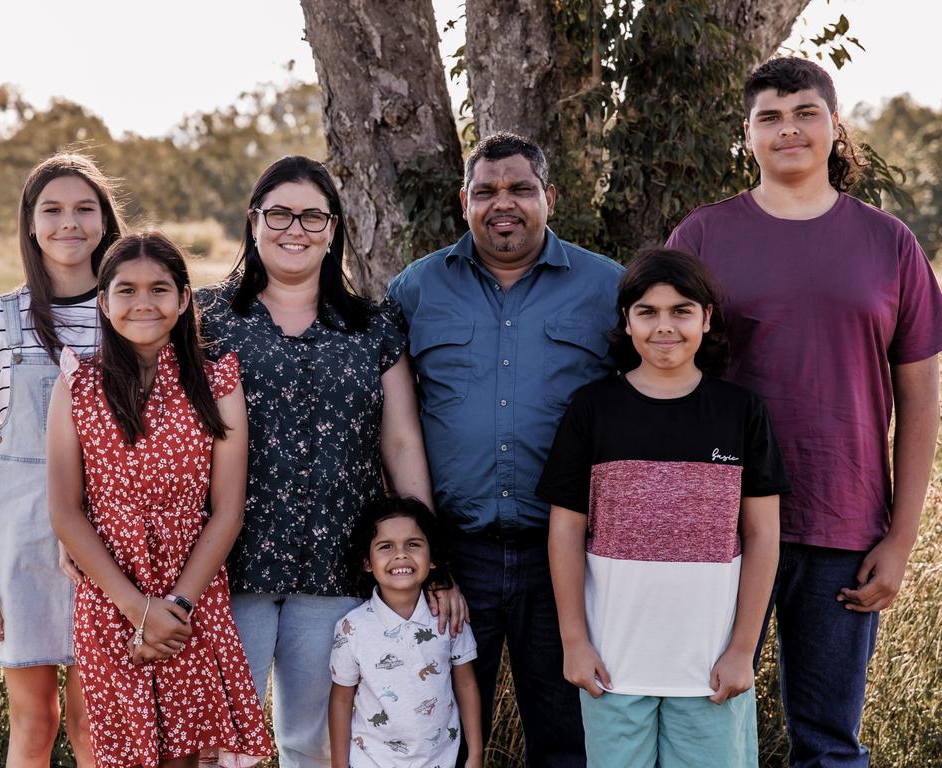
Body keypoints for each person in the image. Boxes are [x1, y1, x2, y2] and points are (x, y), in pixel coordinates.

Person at [666, 56, 942, 767]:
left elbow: (919, 397)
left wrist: (901, 537)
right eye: (769, 118)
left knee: (828, 744)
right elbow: (660, 375)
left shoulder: (891, 244)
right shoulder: (701, 239)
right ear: (747, 134)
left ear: (834, 124)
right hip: (719, 525)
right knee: (701, 730)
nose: (788, 129)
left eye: (804, 113)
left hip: (843, 524)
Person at [199, 155, 453, 768]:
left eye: (313, 215)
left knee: (312, 741)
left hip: (337, 563)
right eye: (279, 213)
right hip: (230, 564)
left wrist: (428, 554)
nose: (296, 229)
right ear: (253, 222)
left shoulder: (371, 326)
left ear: (334, 228)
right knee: (221, 745)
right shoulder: (206, 321)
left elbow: (400, 444)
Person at [387, 132, 624, 766]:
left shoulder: (608, 290)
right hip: (454, 559)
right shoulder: (416, 289)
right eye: (486, 191)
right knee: (441, 737)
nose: (504, 203)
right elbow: (387, 418)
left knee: (569, 737)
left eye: (520, 188)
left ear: (550, 196)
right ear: (463, 201)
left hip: (569, 556)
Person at [539, 249, 789, 767]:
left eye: (681, 310)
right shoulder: (593, 408)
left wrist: (744, 649)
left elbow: (763, 536)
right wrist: (574, 642)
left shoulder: (740, 411)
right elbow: (566, 531)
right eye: (647, 312)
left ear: (706, 319)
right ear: (626, 321)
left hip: (709, 670)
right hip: (612, 668)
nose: (664, 326)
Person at [47, 232, 273, 767]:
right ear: (103, 301)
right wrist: (134, 607)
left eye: (159, 289)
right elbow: (64, 508)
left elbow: (227, 510)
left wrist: (173, 608)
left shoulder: (218, 383)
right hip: (109, 596)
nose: (143, 303)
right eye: (125, 290)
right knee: (120, 751)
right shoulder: (77, 385)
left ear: (184, 299)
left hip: (190, 595)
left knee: (183, 755)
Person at [0, 152, 124, 766]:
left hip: (111, 537)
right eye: (52, 209)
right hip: (19, 537)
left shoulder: (128, 310)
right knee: (35, 720)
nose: (68, 223)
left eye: (84, 208)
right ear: (30, 222)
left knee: (96, 722)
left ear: (105, 222)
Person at [328, 497, 481, 768]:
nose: (401, 554)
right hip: (372, 761)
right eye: (386, 546)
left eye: (413, 544)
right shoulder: (352, 628)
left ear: (433, 558)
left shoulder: (448, 618)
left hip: (441, 760)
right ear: (367, 561)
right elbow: (341, 699)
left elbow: (466, 684)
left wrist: (476, 753)